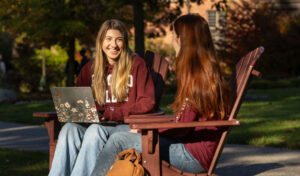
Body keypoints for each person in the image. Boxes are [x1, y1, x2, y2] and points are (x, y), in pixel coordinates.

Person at [91, 14, 231, 176]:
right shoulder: (203, 71)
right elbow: (184, 121)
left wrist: (147, 132)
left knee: (118, 140)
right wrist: (144, 131)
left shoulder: (196, 77)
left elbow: (182, 126)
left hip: (191, 156)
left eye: (173, 35)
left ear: (181, 39)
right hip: (190, 148)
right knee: (119, 132)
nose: (172, 40)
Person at [49, 19, 155, 176]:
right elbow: (80, 101)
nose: (114, 45)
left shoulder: (136, 65)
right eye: (108, 39)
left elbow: (148, 102)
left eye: (119, 39)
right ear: (101, 41)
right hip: (97, 123)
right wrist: (76, 112)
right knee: (69, 129)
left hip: (124, 126)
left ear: (125, 42)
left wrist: (114, 113)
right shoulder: (89, 69)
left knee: (95, 131)